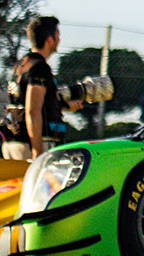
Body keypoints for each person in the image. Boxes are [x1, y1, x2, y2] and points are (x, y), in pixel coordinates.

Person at [3, 15, 86, 160]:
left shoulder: (21, 65)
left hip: (13, 140)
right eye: (57, 35)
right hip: (32, 143)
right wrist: (37, 151)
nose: (59, 40)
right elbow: (32, 110)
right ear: (49, 40)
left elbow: (27, 103)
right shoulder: (39, 68)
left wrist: (64, 105)